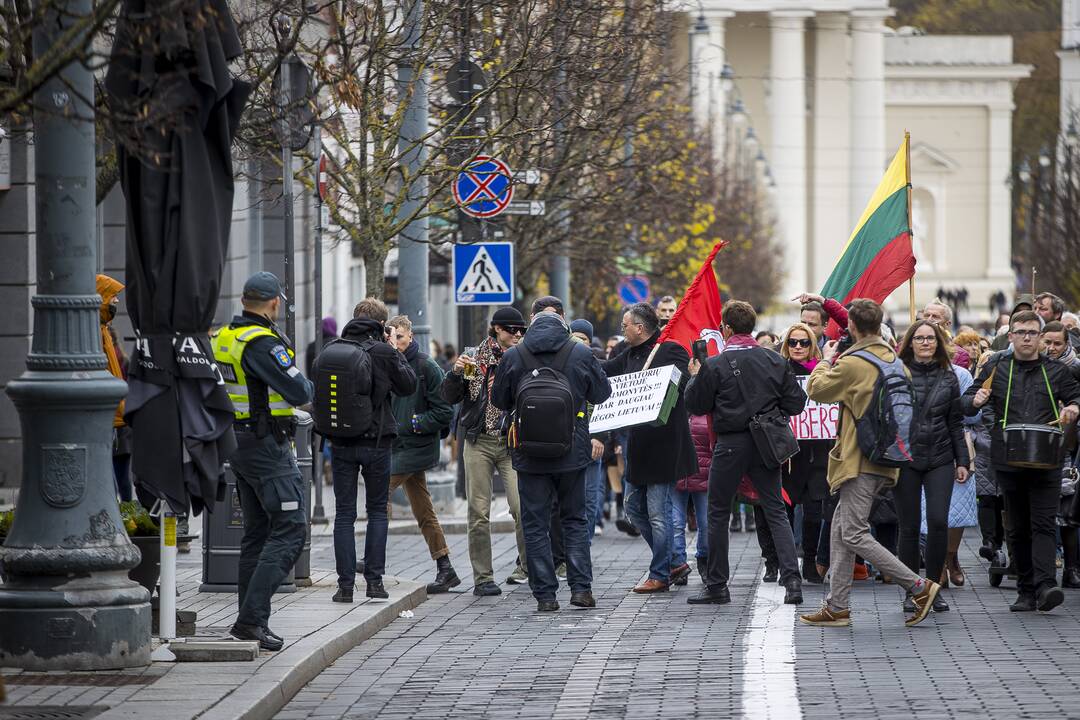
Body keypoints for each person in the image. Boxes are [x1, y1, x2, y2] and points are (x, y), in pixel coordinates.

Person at [799, 299, 941, 628]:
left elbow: (817, 390)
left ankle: (918, 586)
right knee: (839, 530)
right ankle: (837, 606)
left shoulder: (853, 363)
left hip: (858, 459)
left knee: (853, 532)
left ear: (851, 327)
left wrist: (827, 360)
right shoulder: (894, 359)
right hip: (887, 457)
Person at [214, 272, 314, 651]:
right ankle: (250, 620)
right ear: (275, 304)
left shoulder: (225, 337)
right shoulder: (261, 343)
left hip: (238, 444)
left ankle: (252, 621)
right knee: (290, 529)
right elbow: (299, 390)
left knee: (256, 534)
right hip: (266, 446)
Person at [492, 299, 612, 611]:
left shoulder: (515, 355)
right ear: (564, 324)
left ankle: (545, 595)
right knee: (574, 520)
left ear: (531, 324)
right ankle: (581, 589)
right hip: (572, 451)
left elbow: (499, 399)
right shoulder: (580, 353)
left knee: (535, 523)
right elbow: (602, 393)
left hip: (529, 454)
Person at [683, 300, 806, 605]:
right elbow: (796, 403)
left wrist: (697, 376)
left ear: (726, 328)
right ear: (751, 326)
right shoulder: (774, 360)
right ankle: (792, 581)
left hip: (731, 443)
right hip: (765, 442)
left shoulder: (714, 364)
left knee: (718, 511)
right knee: (776, 509)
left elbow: (695, 404)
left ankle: (717, 585)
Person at [964, 310, 1080, 611]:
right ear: (1010, 336)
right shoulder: (996, 368)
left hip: (1047, 458)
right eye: (1020, 332)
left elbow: (1077, 396)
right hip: (1009, 458)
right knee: (1017, 527)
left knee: (1043, 523)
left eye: (1032, 332)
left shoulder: (1056, 371)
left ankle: (1045, 586)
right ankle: (1026, 590)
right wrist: (975, 400)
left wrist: (1073, 408)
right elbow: (967, 400)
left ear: (1041, 338)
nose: (1026, 337)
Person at [325, 298, 417, 604]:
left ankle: (345, 587)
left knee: (344, 515)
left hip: (341, 443)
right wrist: (391, 348)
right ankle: (375, 583)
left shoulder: (335, 347)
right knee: (377, 511)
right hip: (376, 442)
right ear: (382, 325)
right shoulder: (382, 350)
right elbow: (408, 386)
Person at [602, 302, 698, 593]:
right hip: (639, 446)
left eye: (625, 325)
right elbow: (603, 371)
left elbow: (680, 386)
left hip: (665, 446)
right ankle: (674, 561)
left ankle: (660, 574)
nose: (622, 330)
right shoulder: (627, 354)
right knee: (633, 507)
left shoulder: (671, 351)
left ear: (640, 328)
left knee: (658, 513)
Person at [441, 307, 530, 595]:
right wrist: (455, 374)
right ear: (496, 329)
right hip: (478, 441)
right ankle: (483, 578)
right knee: (479, 511)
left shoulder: (524, 358)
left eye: (521, 330)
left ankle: (529, 568)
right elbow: (452, 397)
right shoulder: (474, 358)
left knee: (520, 507)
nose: (517, 335)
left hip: (511, 442)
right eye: (511, 330)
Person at [894, 320, 970, 613]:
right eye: (920, 338)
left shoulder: (949, 377)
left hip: (940, 457)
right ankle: (912, 589)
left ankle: (933, 588)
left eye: (930, 338)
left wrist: (962, 460)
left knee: (939, 522)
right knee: (910, 527)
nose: (925, 343)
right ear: (910, 342)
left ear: (938, 343)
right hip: (906, 459)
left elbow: (955, 422)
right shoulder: (897, 374)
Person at [385, 315, 459, 594]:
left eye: (400, 337)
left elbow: (445, 410)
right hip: (398, 446)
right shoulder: (391, 363)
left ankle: (373, 561)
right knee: (423, 510)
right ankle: (445, 567)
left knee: (380, 493)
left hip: (415, 446)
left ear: (411, 336)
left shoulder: (426, 366)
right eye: (391, 338)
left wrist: (414, 423)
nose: (396, 343)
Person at [778, 322, 830, 584]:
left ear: (812, 346)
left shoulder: (823, 373)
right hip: (788, 455)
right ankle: (787, 567)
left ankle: (810, 563)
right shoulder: (778, 370)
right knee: (784, 513)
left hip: (819, 453)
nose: (798, 347)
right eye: (793, 342)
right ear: (786, 345)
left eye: (804, 342)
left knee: (813, 512)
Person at [97, 274, 133, 502]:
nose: (117, 302)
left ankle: (124, 515)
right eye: (112, 296)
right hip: (106, 414)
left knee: (121, 477)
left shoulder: (106, 330)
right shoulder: (97, 332)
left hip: (117, 414)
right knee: (108, 476)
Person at [673, 414, 711, 584]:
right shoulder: (672, 407)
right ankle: (678, 565)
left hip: (705, 475)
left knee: (707, 524)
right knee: (675, 524)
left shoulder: (708, 406)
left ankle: (704, 559)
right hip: (676, 475)